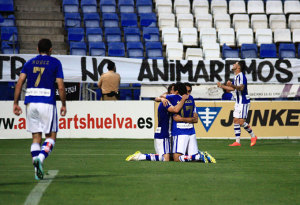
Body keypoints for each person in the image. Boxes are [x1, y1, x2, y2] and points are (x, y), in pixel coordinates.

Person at [13, 39, 67, 180]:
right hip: (47, 102)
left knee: (36, 138)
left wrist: (15, 103)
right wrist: (64, 104)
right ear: (51, 49)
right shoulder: (55, 62)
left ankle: (36, 169)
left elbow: (19, 83)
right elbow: (60, 86)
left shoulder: (29, 63)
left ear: (37, 49)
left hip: (30, 102)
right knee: (51, 137)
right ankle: (41, 159)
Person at [126, 84, 189, 162]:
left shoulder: (169, 100)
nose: (177, 92)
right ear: (170, 92)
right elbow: (175, 110)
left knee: (175, 156)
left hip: (169, 133)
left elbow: (158, 98)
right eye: (175, 90)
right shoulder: (166, 102)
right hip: (163, 133)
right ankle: (140, 156)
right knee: (165, 159)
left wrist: (161, 98)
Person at [167, 82, 215, 163]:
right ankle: (200, 156)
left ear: (177, 91)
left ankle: (200, 156)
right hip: (191, 131)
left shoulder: (174, 98)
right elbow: (195, 119)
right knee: (192, 157)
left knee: (176, 158)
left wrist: (181, 119)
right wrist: (186, 119)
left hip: (180, 131)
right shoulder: (191, 98)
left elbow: (160, 97)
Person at [217, 62, 257, 146]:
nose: (233, 64)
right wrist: (222, 86)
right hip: (238, 101)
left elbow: (241, 88)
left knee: (241, 122)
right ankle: (237, 141)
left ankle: (253, 136)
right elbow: (232, 88)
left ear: (238, 67)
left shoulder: (241, 76)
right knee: (235, 120)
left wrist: (232, 85)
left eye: (235, 63)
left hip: (244, 101)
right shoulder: (236, 76)